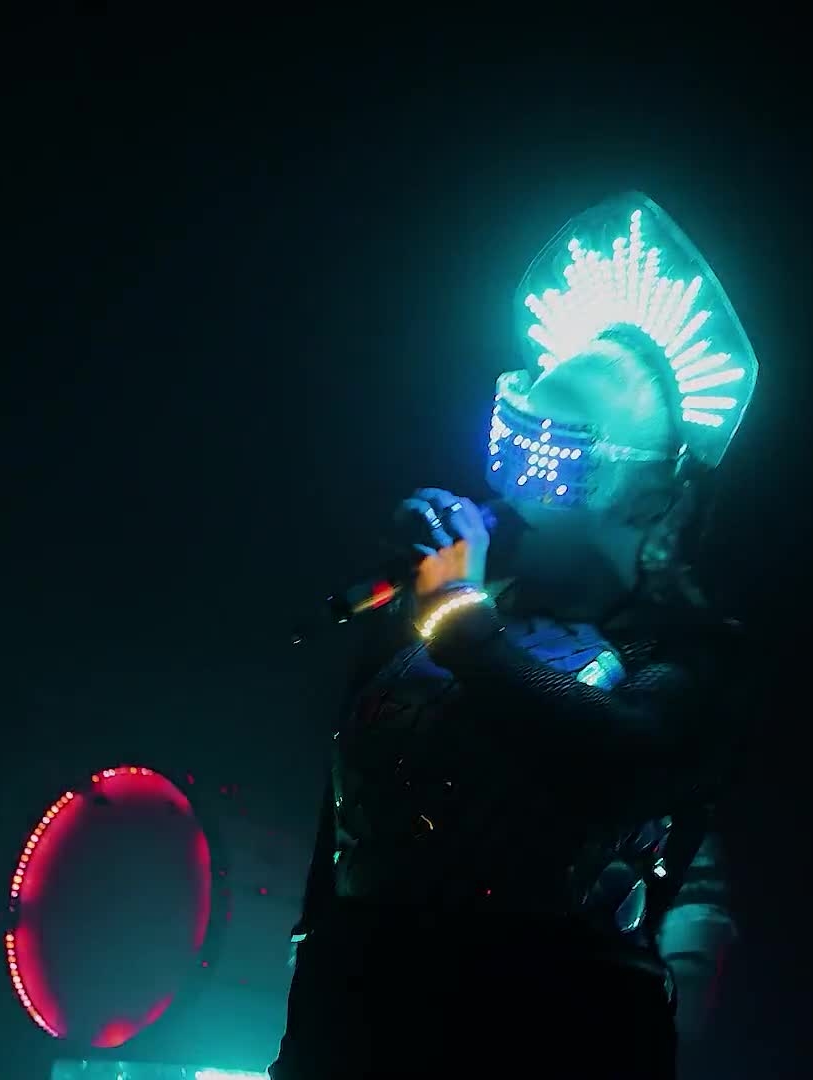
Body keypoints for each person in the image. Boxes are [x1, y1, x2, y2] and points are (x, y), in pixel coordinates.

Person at [270, 193, 759, 1079]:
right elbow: (341, 849)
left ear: (648, 487)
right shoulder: (437, 613)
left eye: (557, 455)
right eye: (511, 437)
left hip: (550, 1034)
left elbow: (619, 765)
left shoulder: (686, 653)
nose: (520, 473)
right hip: (358, 1025)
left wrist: (461, 621)